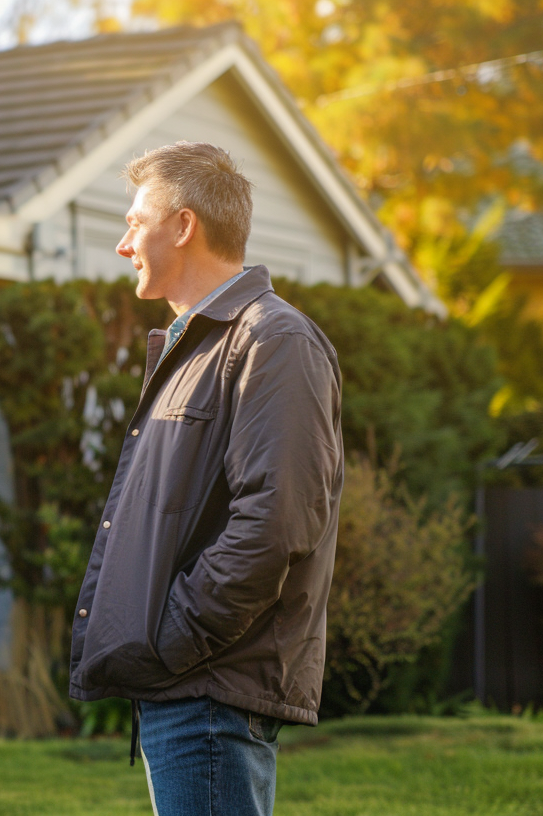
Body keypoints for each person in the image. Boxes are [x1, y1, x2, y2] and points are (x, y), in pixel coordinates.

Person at [67, 142, 344, 816]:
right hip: (185, 686)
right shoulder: (195, 346)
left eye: (136, 222)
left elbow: (276, 522)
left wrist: (172, 641)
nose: (123, 242)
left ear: (183, 225)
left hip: (208, 687)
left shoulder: (272, 339)